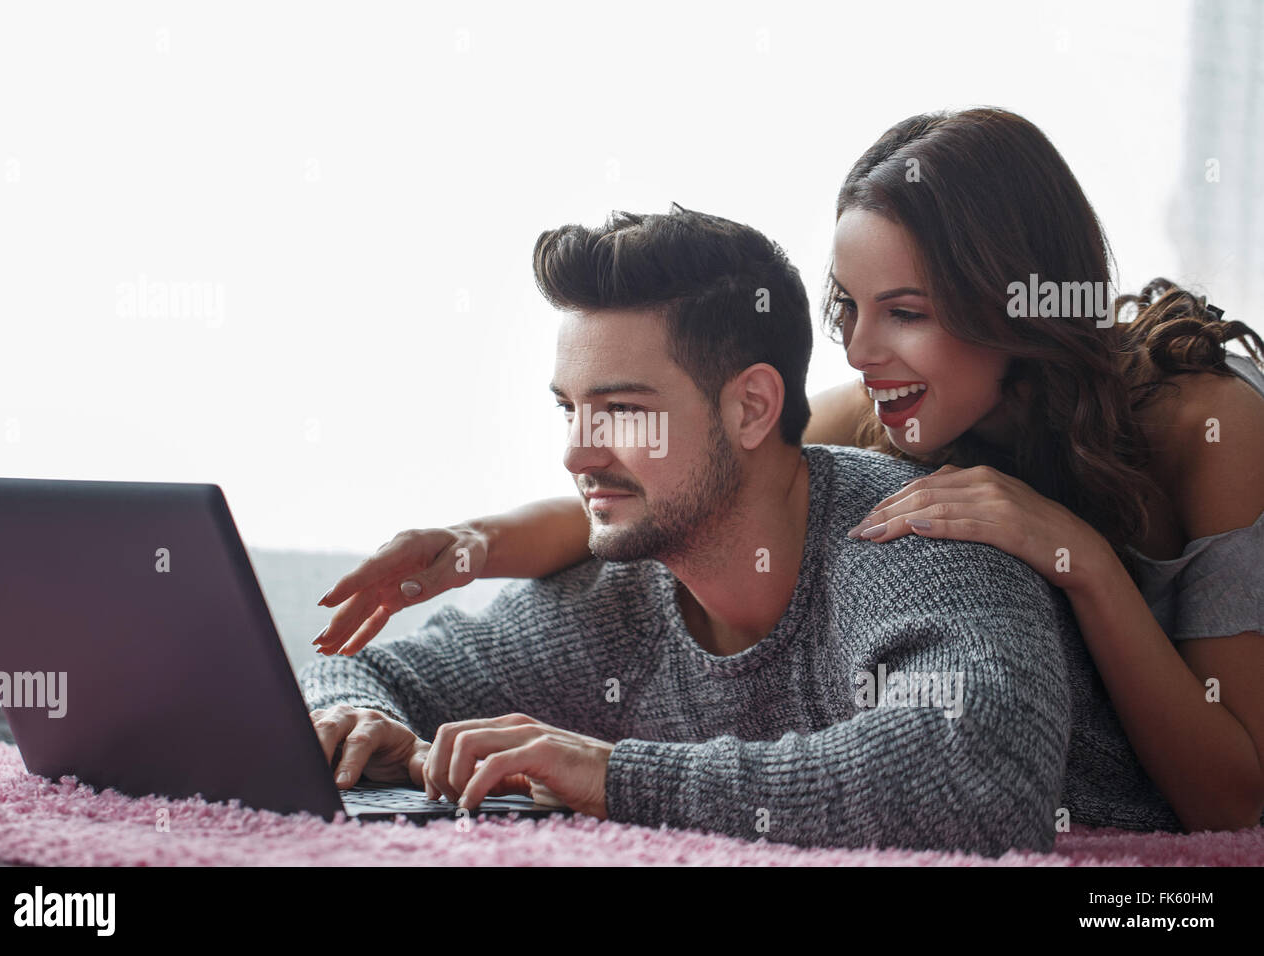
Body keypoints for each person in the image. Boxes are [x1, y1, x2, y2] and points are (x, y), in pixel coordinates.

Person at [314, 109, 1264, 835]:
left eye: (906, 311)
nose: (860, 350)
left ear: (1010, 300)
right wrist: (470, 549)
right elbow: (667, 508)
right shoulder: (873, 418)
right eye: (847, 308)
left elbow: (1227, 797)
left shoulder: (1201, 429)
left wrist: (1084, 559)